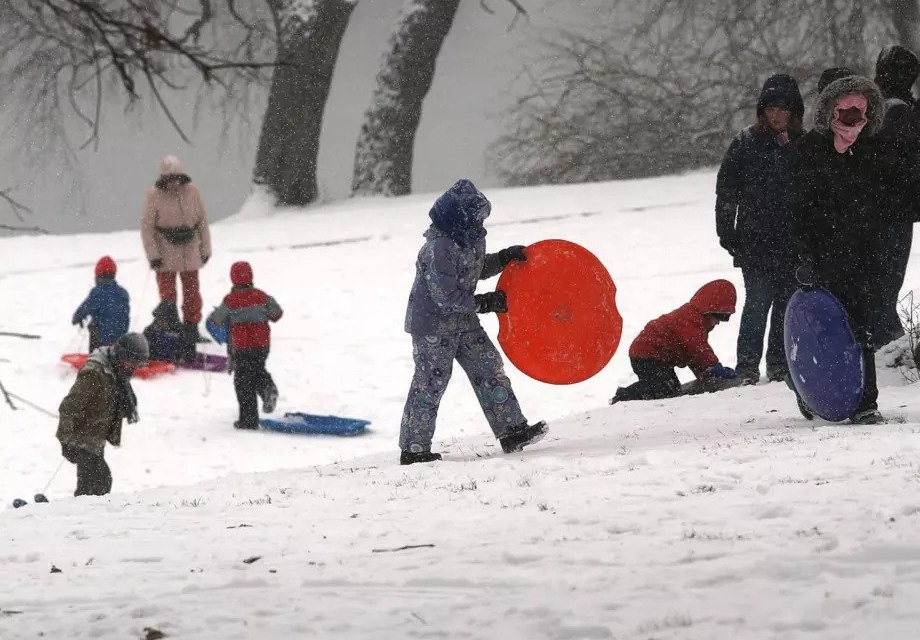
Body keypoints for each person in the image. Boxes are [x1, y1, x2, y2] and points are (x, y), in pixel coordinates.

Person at [793, 74, 918, 424]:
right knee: (820, 332)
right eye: (846, 108)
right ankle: (811, 391)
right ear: (831, 110)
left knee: (860, 331)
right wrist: (802, 256)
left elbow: (891, 200)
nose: (853, 117)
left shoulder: (874, 152)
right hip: (819, 259)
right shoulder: (808, 152)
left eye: (861, 110)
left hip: (862, 258)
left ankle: (865, 403)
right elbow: (797, 209)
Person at [400, 179, 547, 465]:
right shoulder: (437, 249)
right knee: (431, 382)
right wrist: (485, 303)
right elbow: (445, 296)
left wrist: (503, 259)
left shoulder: (470, 238)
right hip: (433, 326)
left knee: (489, 367)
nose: (482, 225)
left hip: (463, 321)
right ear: (459, 219)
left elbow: (474, 270)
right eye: (476, 219)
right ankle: (414, 448)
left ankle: (511, 430)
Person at [716, 74, 804, 384]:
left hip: (793, 244)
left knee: (784, 306)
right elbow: (727, 192)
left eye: (783, 108)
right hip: (755, 242)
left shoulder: (803, 145)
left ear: (794, 111)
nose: (776, 115)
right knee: (757, 303)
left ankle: (779, 366)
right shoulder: (745, 143)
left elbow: (812, 197)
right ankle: (748, 367)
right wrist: (727, 233)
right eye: (771, 108)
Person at [609, 280, 738, 404]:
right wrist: (715, 367)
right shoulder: (690, 320)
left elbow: (693, 355)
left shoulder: (698, 323)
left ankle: (637, 396)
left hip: (659, 357)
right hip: (647, 354)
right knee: (663, 387)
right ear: (708, 310)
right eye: (720, 316)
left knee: (672, 389)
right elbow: (699, 350)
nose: (720, 321)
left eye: (725, 317)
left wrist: (704, 373)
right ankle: (624, 397)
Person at [56, 333, 149, 496]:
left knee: (98, 483)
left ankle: (82, 514)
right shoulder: (95, 373)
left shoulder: (116, 372)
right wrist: (66, 441)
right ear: (121, 355)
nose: (133, 368)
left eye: (137, 364)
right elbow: (68, 407)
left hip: (96, 438)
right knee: (97, 483)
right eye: (132, 362)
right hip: (82, 439)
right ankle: (79, 516)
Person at [871, 45, 920, 347]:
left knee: (883, 283)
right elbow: (902, 165)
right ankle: (887, 343)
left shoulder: (888, 109)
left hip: (889, 209)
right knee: (885, 283)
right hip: (892, 211)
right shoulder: (897, 112)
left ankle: (886, 340)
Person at [141, 155, 212, 353]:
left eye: (176, 177)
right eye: (169, 178)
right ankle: (170, 330)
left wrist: (205, 249)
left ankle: (191, 328)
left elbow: (202, 222)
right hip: (165, 252)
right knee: (168, 296)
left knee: (192, 292)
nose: (173, 182)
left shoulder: (193, 192)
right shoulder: (153, 195)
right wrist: (153, 254)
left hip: (189, 250)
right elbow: (147, 228)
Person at [207, 261, 281, 430]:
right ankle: (268, 388)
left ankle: (248, 420)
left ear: (232, 279)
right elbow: (277, 313)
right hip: (262, 345)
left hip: (242, 347)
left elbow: (217, 320)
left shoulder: (231, 301)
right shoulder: (261, 296)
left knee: (243, 381)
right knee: (257, 369)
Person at [72, 256, 130, 353]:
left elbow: (85, 308)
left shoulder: (97, 292)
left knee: (94, 325)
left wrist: (76, 318)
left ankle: (96, 356)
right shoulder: (123, 292)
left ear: (97, 275)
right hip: (121, 338)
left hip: (102, 339)